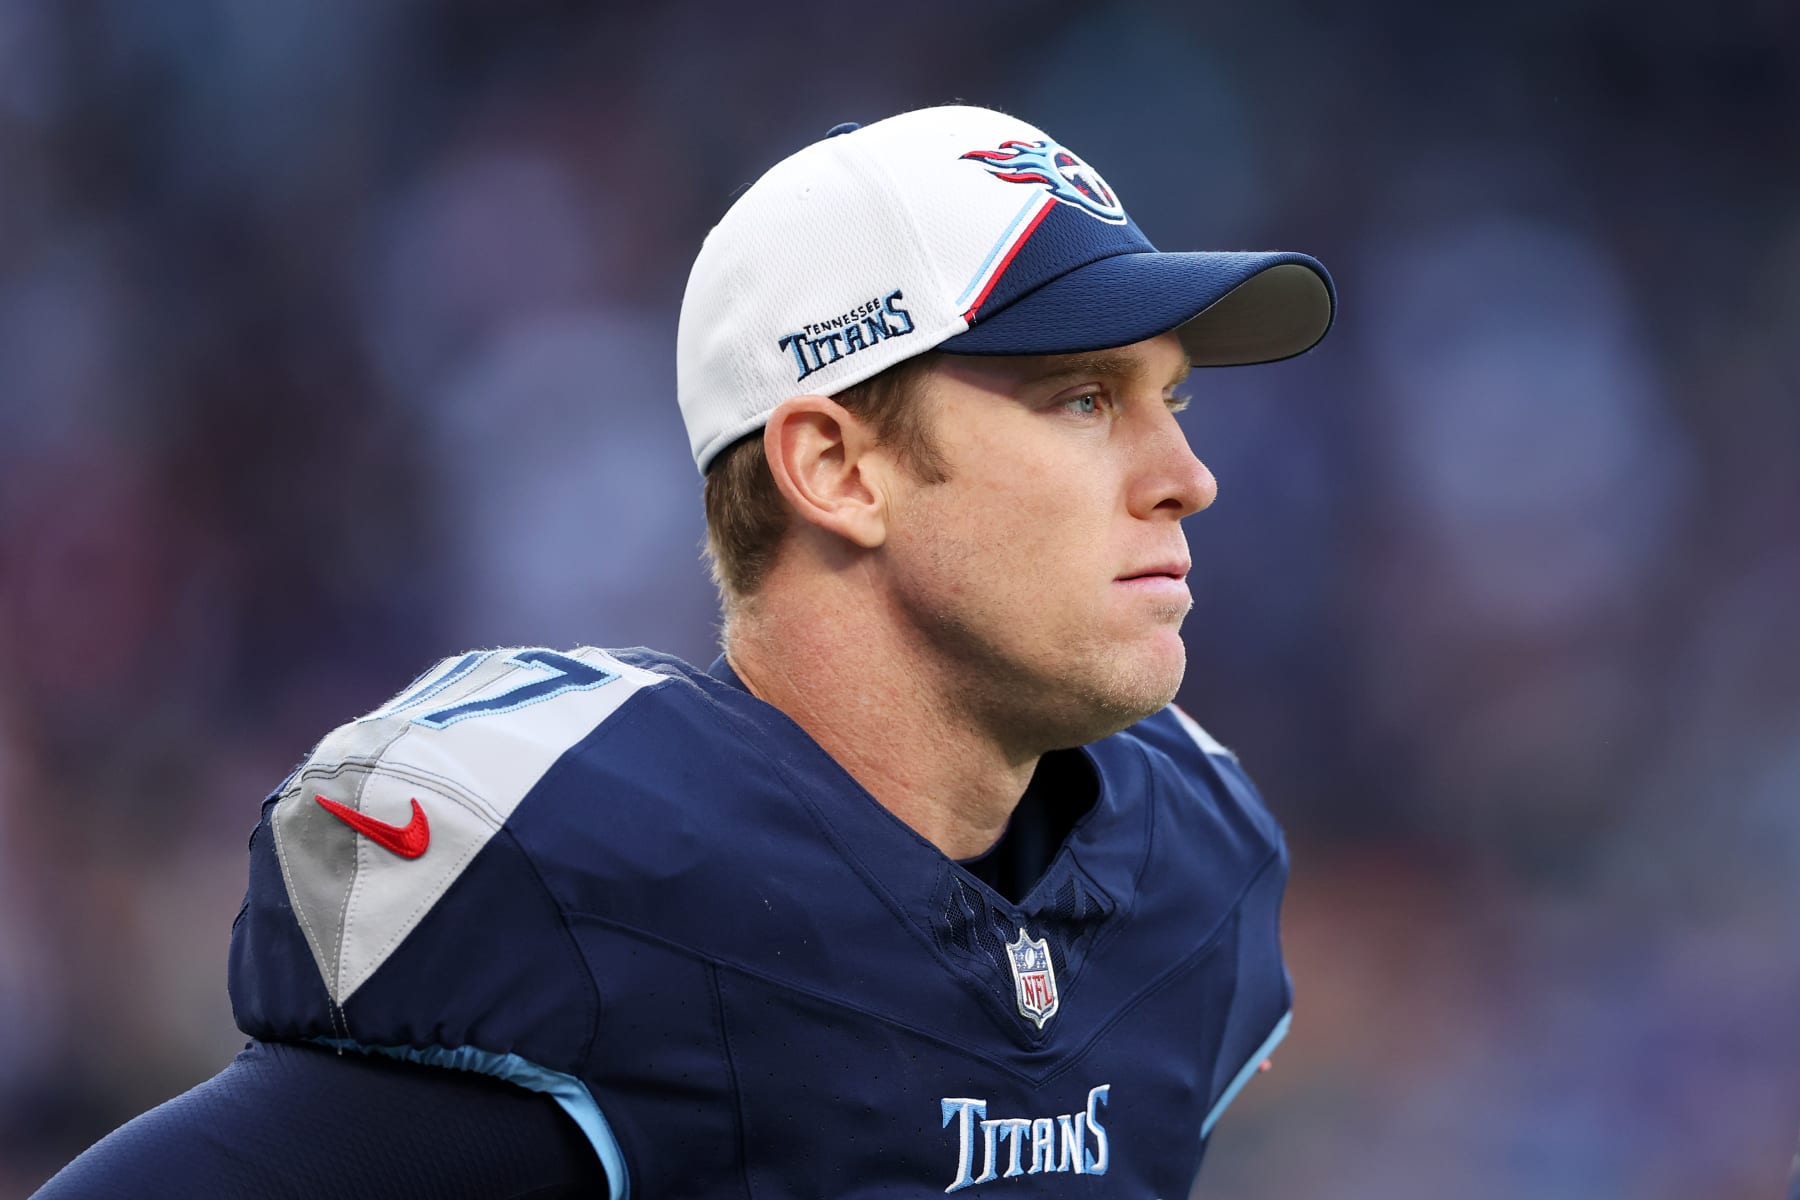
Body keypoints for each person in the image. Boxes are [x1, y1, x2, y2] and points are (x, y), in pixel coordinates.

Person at [36, 104, 1334, 1198]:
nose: (1189, 475)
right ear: (838, 468)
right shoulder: (599, 898)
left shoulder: (1186, 868)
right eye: (1085, 398)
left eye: (1171, 398)